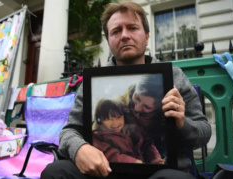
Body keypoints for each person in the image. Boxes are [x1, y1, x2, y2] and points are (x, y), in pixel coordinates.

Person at [41, 2, 211, 179]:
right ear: (108, 42)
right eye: (116, 31)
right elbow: (69, 131)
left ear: (147, 35)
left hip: (159, 174)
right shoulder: (93, 83)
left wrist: (182, 124)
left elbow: (203, 133)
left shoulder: (174, 77)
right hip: (103, 173)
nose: (124, 36)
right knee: (55, 171)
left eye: (132, 28)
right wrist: (79, 149)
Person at [92, 98, 164, 164]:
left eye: (119, 117)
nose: (115, 123)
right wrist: (134, 162)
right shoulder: (99, 137)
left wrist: (154, 158)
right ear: (100, 120)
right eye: (108, 119)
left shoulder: (132, 129)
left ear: (124, 116)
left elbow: (147, 143)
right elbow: (111, 155)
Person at [118, 75, 167, 158]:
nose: (136, 108)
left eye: (147, 107)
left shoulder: (163, 120)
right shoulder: (119, 105)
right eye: (137, 98)